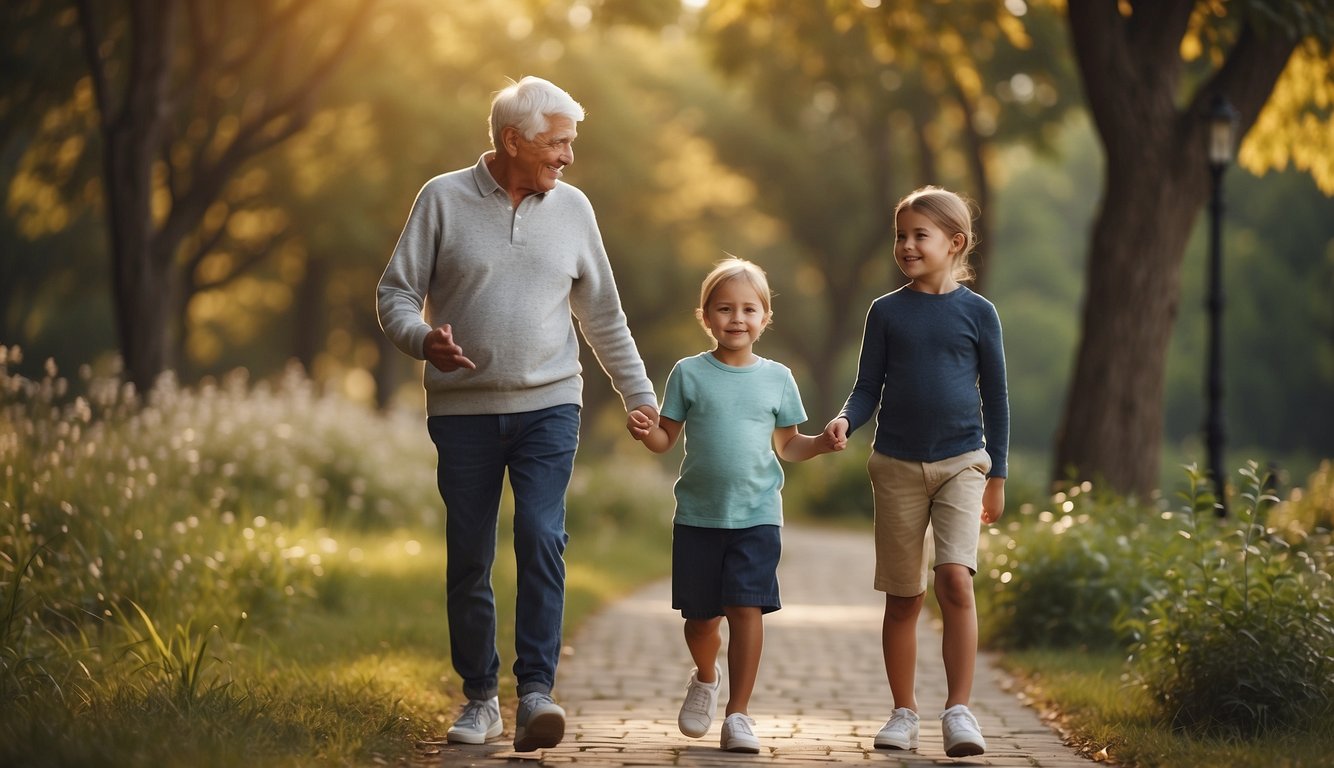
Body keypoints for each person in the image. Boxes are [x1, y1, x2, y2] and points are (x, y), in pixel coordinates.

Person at [376, 76, 659, 752]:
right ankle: (480, 697)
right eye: (559, 143)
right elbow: (394, 295)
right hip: (463, 412)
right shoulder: (441, 199)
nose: (568, 157)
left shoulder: (574, 209)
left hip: (549, 403)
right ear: (514, 139)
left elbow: (604, 317)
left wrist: (641, 396)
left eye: (570, 144)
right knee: (468, 555)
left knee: (540, 533)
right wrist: (425, 341)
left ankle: (536, 693)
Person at [627, 257, 843, 753]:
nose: (737, 319)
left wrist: (823, 444)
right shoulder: (688, 374)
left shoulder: (778, 378)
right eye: (725, 309)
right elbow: (666, 440)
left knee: (747, 609)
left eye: (749, 309)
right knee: (701, 620)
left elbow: (788, 445)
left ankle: (739, 714)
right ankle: (706, 675)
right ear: (705, 317)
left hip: (757, 516)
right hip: (699, 517)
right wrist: (646, 432)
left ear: (766, 317)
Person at [822, 186, 1009, 758]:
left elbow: (997, 398)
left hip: (963, 461)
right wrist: (844, 421)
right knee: (903, 597)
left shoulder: (979, 313)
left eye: (918, 236)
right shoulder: (886, 312)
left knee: (955, 579)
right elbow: (866, 388)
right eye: (900, 236)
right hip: (897, 465)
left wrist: (997, 475)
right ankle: (904, 713)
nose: (906, 245)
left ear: (955, 243)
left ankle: (959, 711)